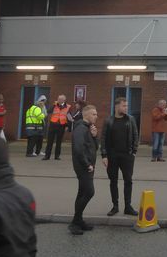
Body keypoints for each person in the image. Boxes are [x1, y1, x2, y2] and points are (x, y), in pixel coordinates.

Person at [100, 97, 139, 217]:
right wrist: (104, 155)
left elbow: (135, 135)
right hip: (112, 156)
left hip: (127, 155)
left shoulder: (131, 119)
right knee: (113, 181)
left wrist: (134, 152)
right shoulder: (108, 121)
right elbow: (103, 139)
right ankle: (115, 206)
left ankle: (128, 206)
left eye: (127, 106)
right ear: (116, 107)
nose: (126, 108)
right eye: (124, 106)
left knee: (128, 180)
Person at [69, 104, 99, 235]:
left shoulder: (88, 128)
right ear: (86, 114)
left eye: (96, 114)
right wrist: (87, 164)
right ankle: (75, 221)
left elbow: (94, 147)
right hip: (83, 167)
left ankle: (79, 220)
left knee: (82, 192)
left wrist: (94, 136)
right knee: (89, 192)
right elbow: (78, 149)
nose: (96, 116)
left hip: (88, 166)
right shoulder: (80, 128)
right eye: (94, 114)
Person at [42, 94, 71, 160]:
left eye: (60, 99)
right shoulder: (54, 105)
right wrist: (54, 105)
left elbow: (69, 118)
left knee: (59, 141)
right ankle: (47, 156)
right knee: (50, 141)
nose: (59, 100)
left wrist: (68, 127)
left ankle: (57, 156)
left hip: (62, 125)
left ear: (64, 100)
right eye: (58, 99)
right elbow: (48, 111)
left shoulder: (68, 107)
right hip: (53, 125)